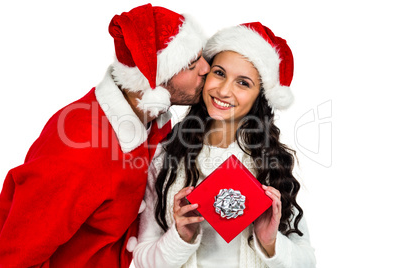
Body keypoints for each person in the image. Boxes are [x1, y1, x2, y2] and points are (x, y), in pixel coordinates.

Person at [0, 4, 209, 267]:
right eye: (190, 63)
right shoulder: (79, 151)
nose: (206, 68)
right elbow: (15, 258)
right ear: (153, 79)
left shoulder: (153, 120)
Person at [133, 21, 316, 267]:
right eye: (219, 73)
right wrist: (180, 238)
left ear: (259, 97)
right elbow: (143, 258)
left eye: (243, 83)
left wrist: (270, 242)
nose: (224, 90)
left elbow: (307, 261)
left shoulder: (271, 162)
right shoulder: (167, 155)